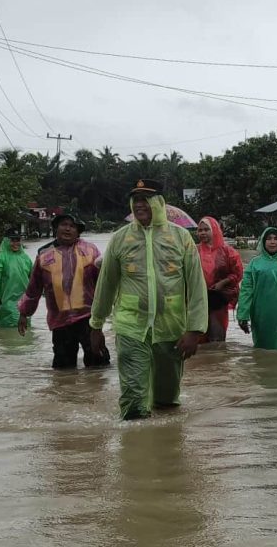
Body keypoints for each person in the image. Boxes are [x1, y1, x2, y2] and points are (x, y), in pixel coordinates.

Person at [90, 179, 208, 420]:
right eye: (136, 199)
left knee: (167, 402)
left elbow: (196, 286)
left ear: (159, 202)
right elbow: (107, 283)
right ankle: (134, 451)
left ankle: (165, 452)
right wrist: (96, 324)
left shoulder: (181, 238)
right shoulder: (120, 239)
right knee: (134, 403)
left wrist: (195, 330)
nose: (139, 204)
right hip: (131, 326)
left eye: (146, 199)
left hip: (171, 328)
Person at [18, 213, 111, 369]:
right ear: (56, 228)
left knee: (99, 365)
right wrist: (24, 313)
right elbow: (34, 288)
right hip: (60, 321)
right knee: (63, 371)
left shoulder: (90, 251)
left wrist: (108, 311)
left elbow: (105, 282)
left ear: (78, 231)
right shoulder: (44, 255)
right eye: (64, 225)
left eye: (72, 226)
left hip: (89, 318)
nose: (68, 229)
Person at [195, 216, 244, 342]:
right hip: (197, 300)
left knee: (217, 339)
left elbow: (237, 273)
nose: (203, 233)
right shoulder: (193, 251)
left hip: (218, 298)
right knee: (198, 337)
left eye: (206, 229)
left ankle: (218, 361)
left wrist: (223, 283)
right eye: (200, 230)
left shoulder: (228, 252)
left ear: (215, 230)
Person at [0, 228, 33, 328]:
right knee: (9, 330)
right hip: (6, 302)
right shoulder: (0, 258)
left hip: (24, 303)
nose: (15, 243)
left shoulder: (26, 258)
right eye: (12, 240)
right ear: (6, 241)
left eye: (17, 240)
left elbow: (34, 279)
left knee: (25, 334)